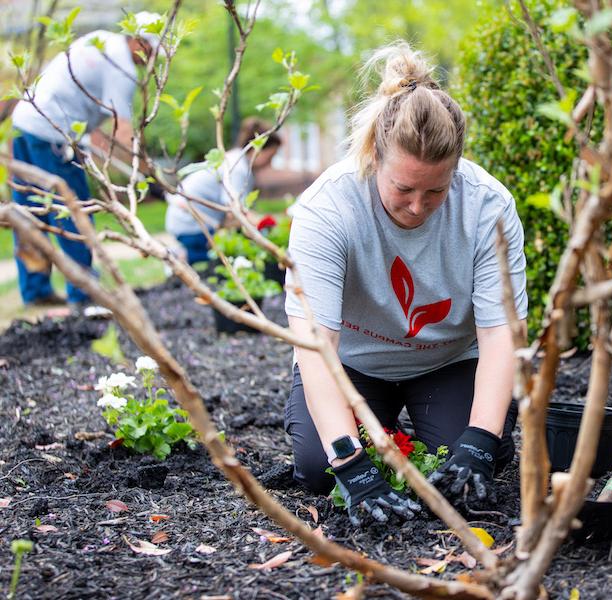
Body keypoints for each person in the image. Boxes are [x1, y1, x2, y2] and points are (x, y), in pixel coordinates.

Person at [283, 42, 527, 525]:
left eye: (435, 190)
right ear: (375, 156)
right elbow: (315, 348)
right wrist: (351, 467)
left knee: (473, 469)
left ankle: (460, 430)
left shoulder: (488, 208)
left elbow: (501, 334)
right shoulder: (326, 211)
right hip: (352, 366)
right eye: (403, 189)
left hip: (447, 362)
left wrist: (480, 439)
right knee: (319, 470)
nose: (418, 206)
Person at [10, 12, 163, 307]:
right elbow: (123, 131)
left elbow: (95, 117)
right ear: (139, 42)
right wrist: (147, 175)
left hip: (24, 123)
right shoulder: (122, 68)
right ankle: (85, 295)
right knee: (75, 212)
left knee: (29, 213)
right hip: (52, 135)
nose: (151, 60)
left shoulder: (100, 41)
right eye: (152, 51)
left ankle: (36, 290)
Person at [164, 118, 281, 265]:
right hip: (190, 224)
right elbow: (235, 212)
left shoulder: (236, 159)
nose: (270, 163)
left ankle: (184, 254)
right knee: (229, 256)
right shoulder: (238, 168)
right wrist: (267, 225)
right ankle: (180, 256)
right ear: (258, 149)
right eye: (270, 157)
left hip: (186, 219)